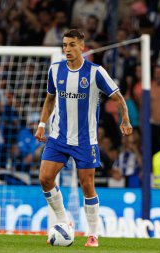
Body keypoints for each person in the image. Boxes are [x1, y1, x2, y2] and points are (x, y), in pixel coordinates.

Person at [35, 29, 132, 247]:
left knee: (87, 185)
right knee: (44, 178)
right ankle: (62, 220)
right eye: (64, 45)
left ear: (82, 46)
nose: (66, 49)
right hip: (59, 137)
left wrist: (125, 120)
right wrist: (42, 125)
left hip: (85, 140)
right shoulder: (55, 69)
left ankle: (93, 235)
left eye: (71, 45)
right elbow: (50, 99)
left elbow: (118, 97)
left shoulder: (95, 72)